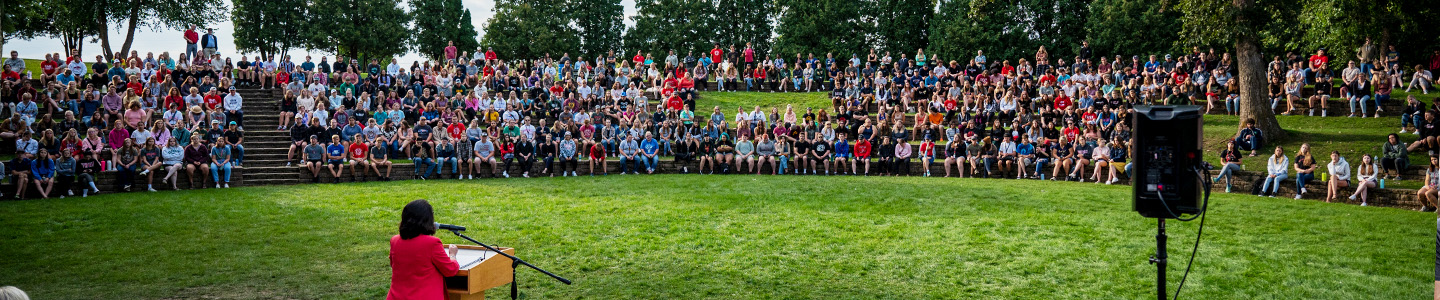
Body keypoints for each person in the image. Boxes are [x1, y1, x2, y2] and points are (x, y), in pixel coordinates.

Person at [386, 199, 460, 300]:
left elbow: (393, 264)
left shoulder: (394, 241)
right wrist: (452, 255)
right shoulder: (432, 243)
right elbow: (450, 270)